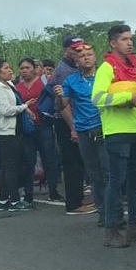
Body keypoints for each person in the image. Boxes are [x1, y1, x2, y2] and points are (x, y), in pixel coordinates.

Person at [92, 25, 136, 248]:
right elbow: (98, 99)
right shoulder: (106, 68)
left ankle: (134, 225)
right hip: (116, 132)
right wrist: (125, 97)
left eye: (130, 39)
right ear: (113, 43)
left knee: (135, 181)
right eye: (124, 39)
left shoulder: (134, 69)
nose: (129, 43)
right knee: (116, 180)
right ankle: (111, 229)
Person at [53, 44, 103, 218]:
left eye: (90, 54)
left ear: (95, 57)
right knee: (94, 172)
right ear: (76, 60)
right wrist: (59, 96)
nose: (86, 58)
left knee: (108, 171)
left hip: (105, 127)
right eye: (82, 56)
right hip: (84, 130)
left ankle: (113, 208)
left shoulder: (105, 76)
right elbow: (62, 105)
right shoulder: (71, 80)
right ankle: (103, 211)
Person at [0, 59, 34, 213]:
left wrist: (25, 109)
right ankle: (13, 200)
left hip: (15, 130)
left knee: (7, 166)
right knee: (10, 167)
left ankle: (4, 200)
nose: (10, 70)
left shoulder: (9, 84)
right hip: (6, 132)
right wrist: (25, 106)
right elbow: (6, 110)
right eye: (5, 68)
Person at [50, 36, 90, 214]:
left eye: (81, 48)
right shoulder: (64, 71)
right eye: (75, 49)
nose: (78, 51)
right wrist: (73, 127)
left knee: (79, 162)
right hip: (67, 121)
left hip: (77, 119)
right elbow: (63, 104)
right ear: (67, 50)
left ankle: (78, 199)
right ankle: (74, 204)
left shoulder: (75, 67)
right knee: (72, 162)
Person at [15, 57, 62, 205]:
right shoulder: (17, 87)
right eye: (22, 68)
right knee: (29, 161)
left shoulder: (44, 83)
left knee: (50, 159)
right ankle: (28, 194)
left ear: (34, 69)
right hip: (27, 128)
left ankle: (53, 191)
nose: (25, 70)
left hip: (43, 125)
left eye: (27, 67)